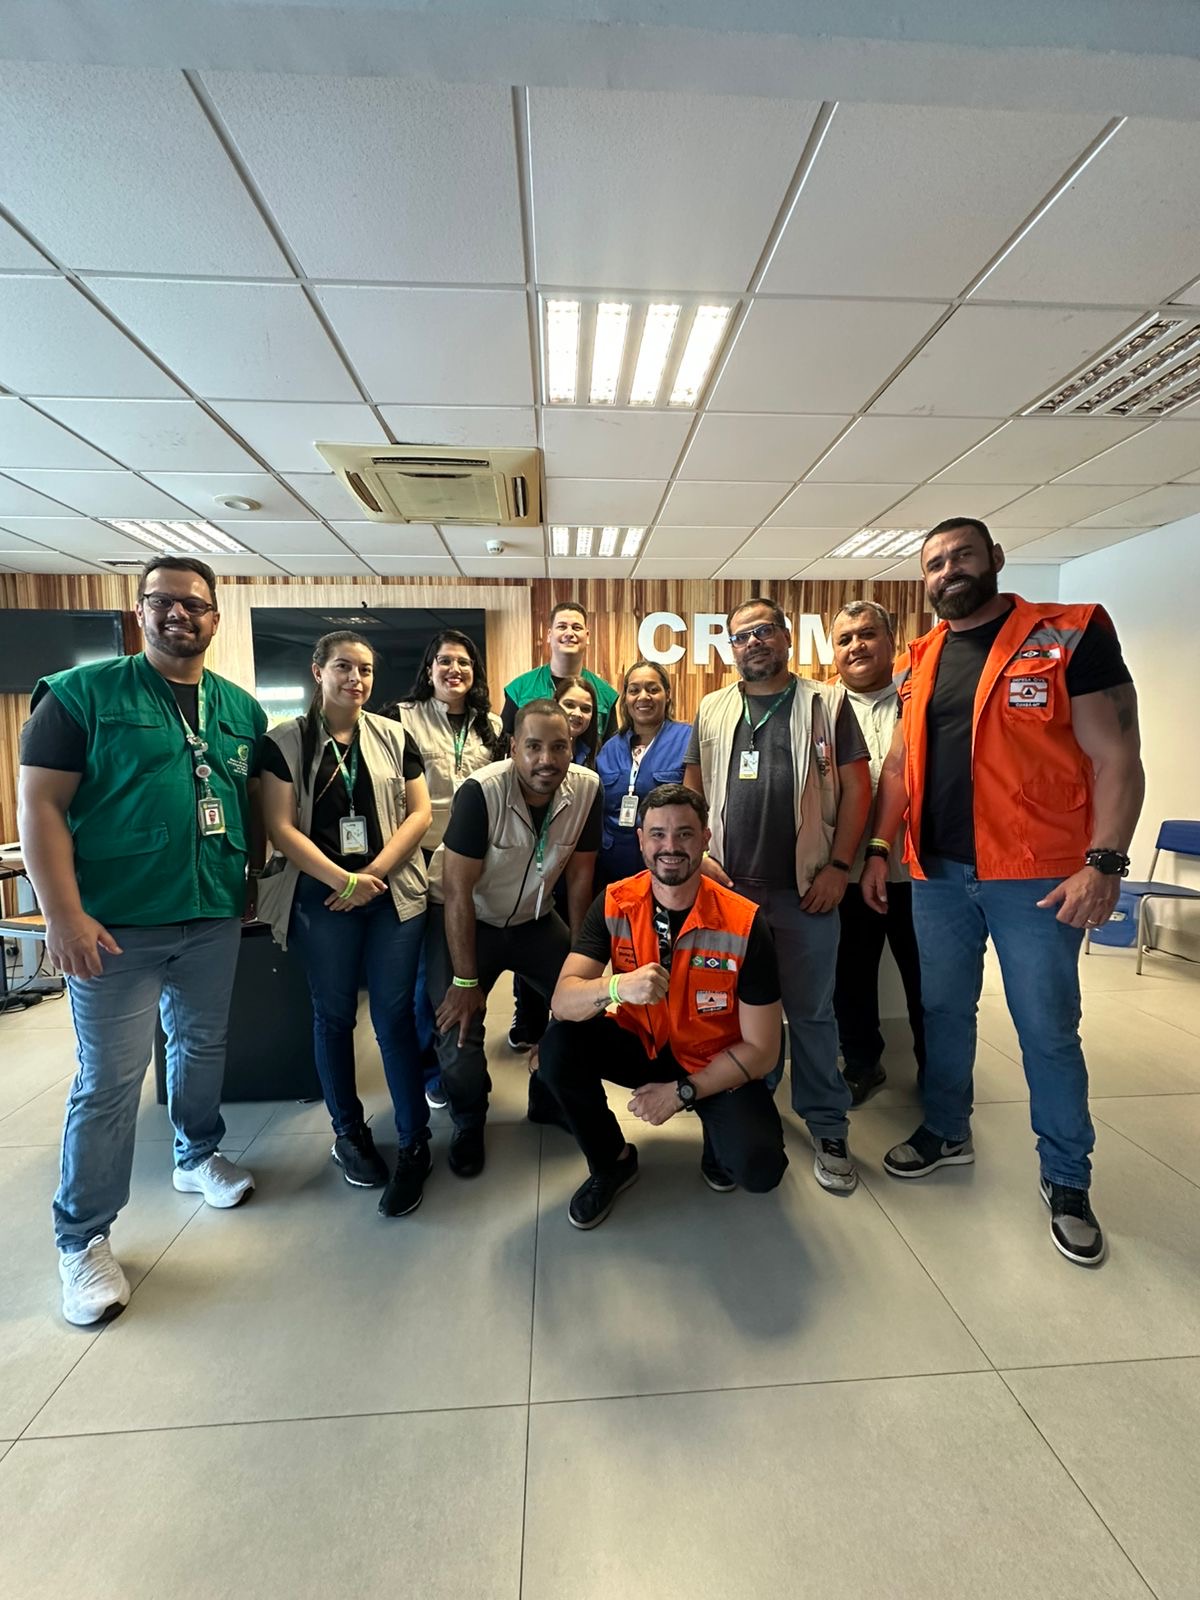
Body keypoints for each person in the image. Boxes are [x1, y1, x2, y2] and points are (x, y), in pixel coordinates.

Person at [863, 517, 1144, 1268]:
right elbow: (898, 767)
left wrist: (1105, 862)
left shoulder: (1069, 633)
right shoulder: (919, 657)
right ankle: (946, 1129)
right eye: (933, 563)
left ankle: (1068, 1178)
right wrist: (880, 847)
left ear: (994, 558)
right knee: (943, 1012)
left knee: (1046, 1029)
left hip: (1037, 877)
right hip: (937, 875)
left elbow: (1118, 754)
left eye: (961, 555)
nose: (947, 571)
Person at [17, 556, 265, 1327]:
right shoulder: (80, 695)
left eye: (194, 603)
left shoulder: (238, 707)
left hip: (211, 914)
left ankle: (197, 1154)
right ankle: (81, 1238)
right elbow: (40, 806)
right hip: (114, 924)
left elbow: (248, 800)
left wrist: (250, 880)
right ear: (140, 611)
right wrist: (61, 914)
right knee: (109, 1081)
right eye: (162, 601)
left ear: (215, 618)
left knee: (202, 1045)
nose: (178, 614)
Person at [684, 596, 872, 1194]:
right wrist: (700, 855)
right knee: (734, 1016)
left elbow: (857, 788)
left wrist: (840, 866)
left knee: (812, 1014)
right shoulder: (713, 707)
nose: (752, 643)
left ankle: (827, 1125)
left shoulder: (826, 703)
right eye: (740, 637)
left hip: (805, 890)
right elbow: (693, 783)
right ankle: (749, 1116)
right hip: (730, 893)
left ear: (786, 638)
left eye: (763, 631)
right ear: (730, 648)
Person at [539, 783, 788, 1228]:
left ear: (706, 839)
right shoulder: (615, 902)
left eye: (684, 834)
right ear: (641, 840)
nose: (670, 846)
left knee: (758, 1168)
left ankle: (718, 1143)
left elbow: (764, 1050)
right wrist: (617, 987)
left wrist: (681, 1093)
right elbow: (562, 1000)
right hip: (643, 1042)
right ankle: (612, 1161)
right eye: (657, 834)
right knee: (558, 1046)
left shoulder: (744, 922)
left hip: (714, 1057)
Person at [257, 631, 435, 1219]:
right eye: (343, 667)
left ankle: (414, 1142)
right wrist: (343, 880)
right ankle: (349, 1134)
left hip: (391, 893)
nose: (355, 679)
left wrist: (373, 875)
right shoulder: (284, 741)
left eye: (365, 670)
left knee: (393, 1019)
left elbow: (420, 813)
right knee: (333, 1016)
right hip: (321, 896)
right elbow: (280, 826)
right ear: (318, 671)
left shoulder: (394, 735)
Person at [426, 699, 601, 1177]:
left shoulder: (587, 788)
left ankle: (547, 1095)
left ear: (572, 747)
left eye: (559, 747)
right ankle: (468, 1119)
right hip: (468, 921)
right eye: (534, 747)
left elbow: (580, 880)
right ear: (513, 747)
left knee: (585, 1009)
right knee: (458, 1031)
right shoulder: (481, 792)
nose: (547, 759)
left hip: (535, 921)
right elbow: (457, 891)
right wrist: (465, 983)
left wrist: (581, 964)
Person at [393, 628, 504, 1112]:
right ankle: (431, 1069)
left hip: (475, 859)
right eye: (445, 661)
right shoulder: (401, 718)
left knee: (462, 966)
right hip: (418, 857)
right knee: (426, 973)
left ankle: (457, 1059)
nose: (454, 670)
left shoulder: (492, 725)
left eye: (464, 662)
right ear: (429, 668)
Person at [502, 601, 619, 1051]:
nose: (569, 632)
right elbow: (508, 752)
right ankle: (528, 1015)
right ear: (547, 634)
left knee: (575, 930)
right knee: (530, 922)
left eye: (578, 627)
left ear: (587, 636)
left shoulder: (605, 696)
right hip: (531, 833)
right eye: (561, 626)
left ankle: (572, 1017)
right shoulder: (520, 688)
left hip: (583, 834)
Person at [830, 601, 925, 1103]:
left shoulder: (921, 697)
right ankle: (863, 1063)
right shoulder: (822, 707)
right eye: (845, 639)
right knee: (851, 977)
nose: (856, 646)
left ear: (892, 640)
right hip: (846, 873)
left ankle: (937, 1071)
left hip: (916, 873)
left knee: (926, 982)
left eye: (867, 634)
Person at [596, 659, 692, 890]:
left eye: (653, 689)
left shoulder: (688, 739)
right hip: (611, 869)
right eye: (634, 690)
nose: (643, 697)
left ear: (667, 695)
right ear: (625, 698)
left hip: (667, 866)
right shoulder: (610, 748)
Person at [554, 674, 601, 769]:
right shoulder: (538, 748)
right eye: (569, 705)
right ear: (555, 704)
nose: (577, 713)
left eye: (585, 709)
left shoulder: (597, 751)